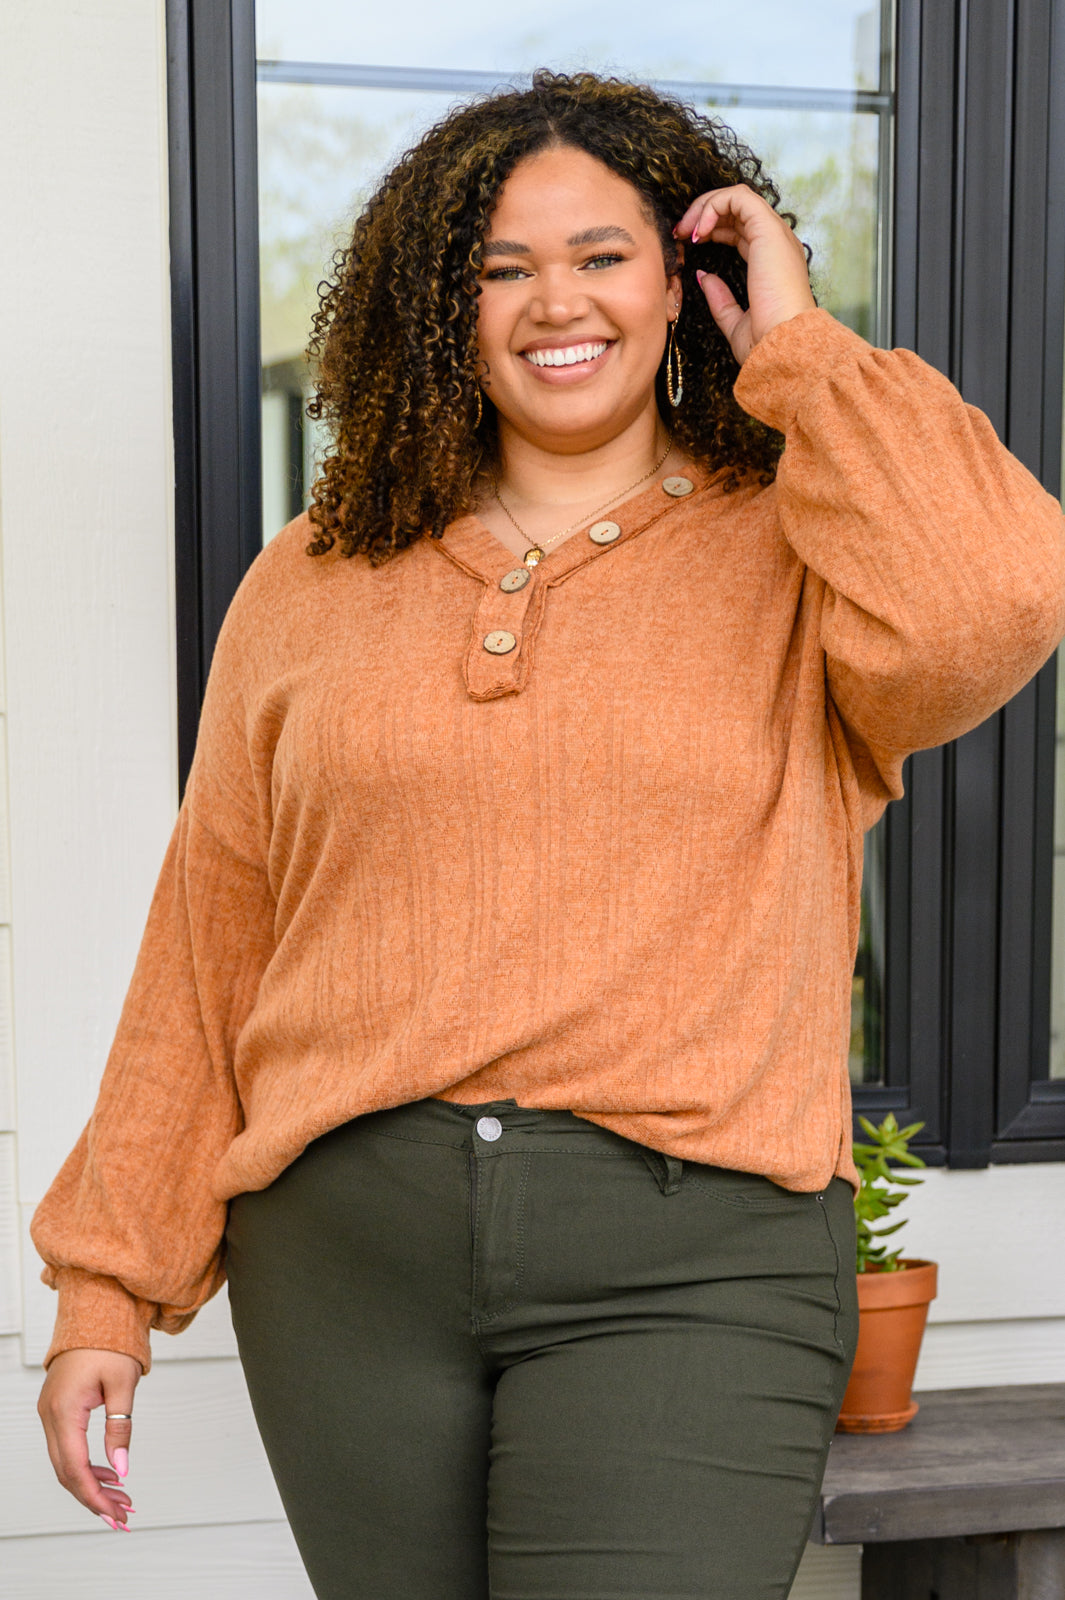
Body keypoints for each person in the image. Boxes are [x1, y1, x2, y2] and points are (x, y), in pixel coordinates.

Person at [32, 69, 1065, 1599]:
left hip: (692, 1256)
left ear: (680, 283)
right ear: (436, 306)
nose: (553, 302)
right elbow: (212, 937)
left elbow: (992, 600)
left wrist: (796, 345)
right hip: (345, 1262)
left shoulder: (804, 550)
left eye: (600, 255)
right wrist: (106, 1290)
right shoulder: (311, 577)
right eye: (500, 266)